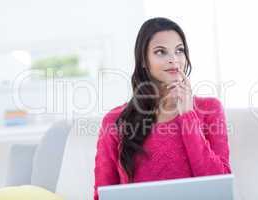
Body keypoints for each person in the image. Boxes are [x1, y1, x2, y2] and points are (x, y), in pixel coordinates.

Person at [94, 17, 231, 200]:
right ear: (143, 60)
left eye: (179, 50)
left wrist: (188, 116)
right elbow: (101, 194)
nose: (173, 59)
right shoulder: (115, 120)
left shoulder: (210, 109)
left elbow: (219, 187)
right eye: (161, 52)